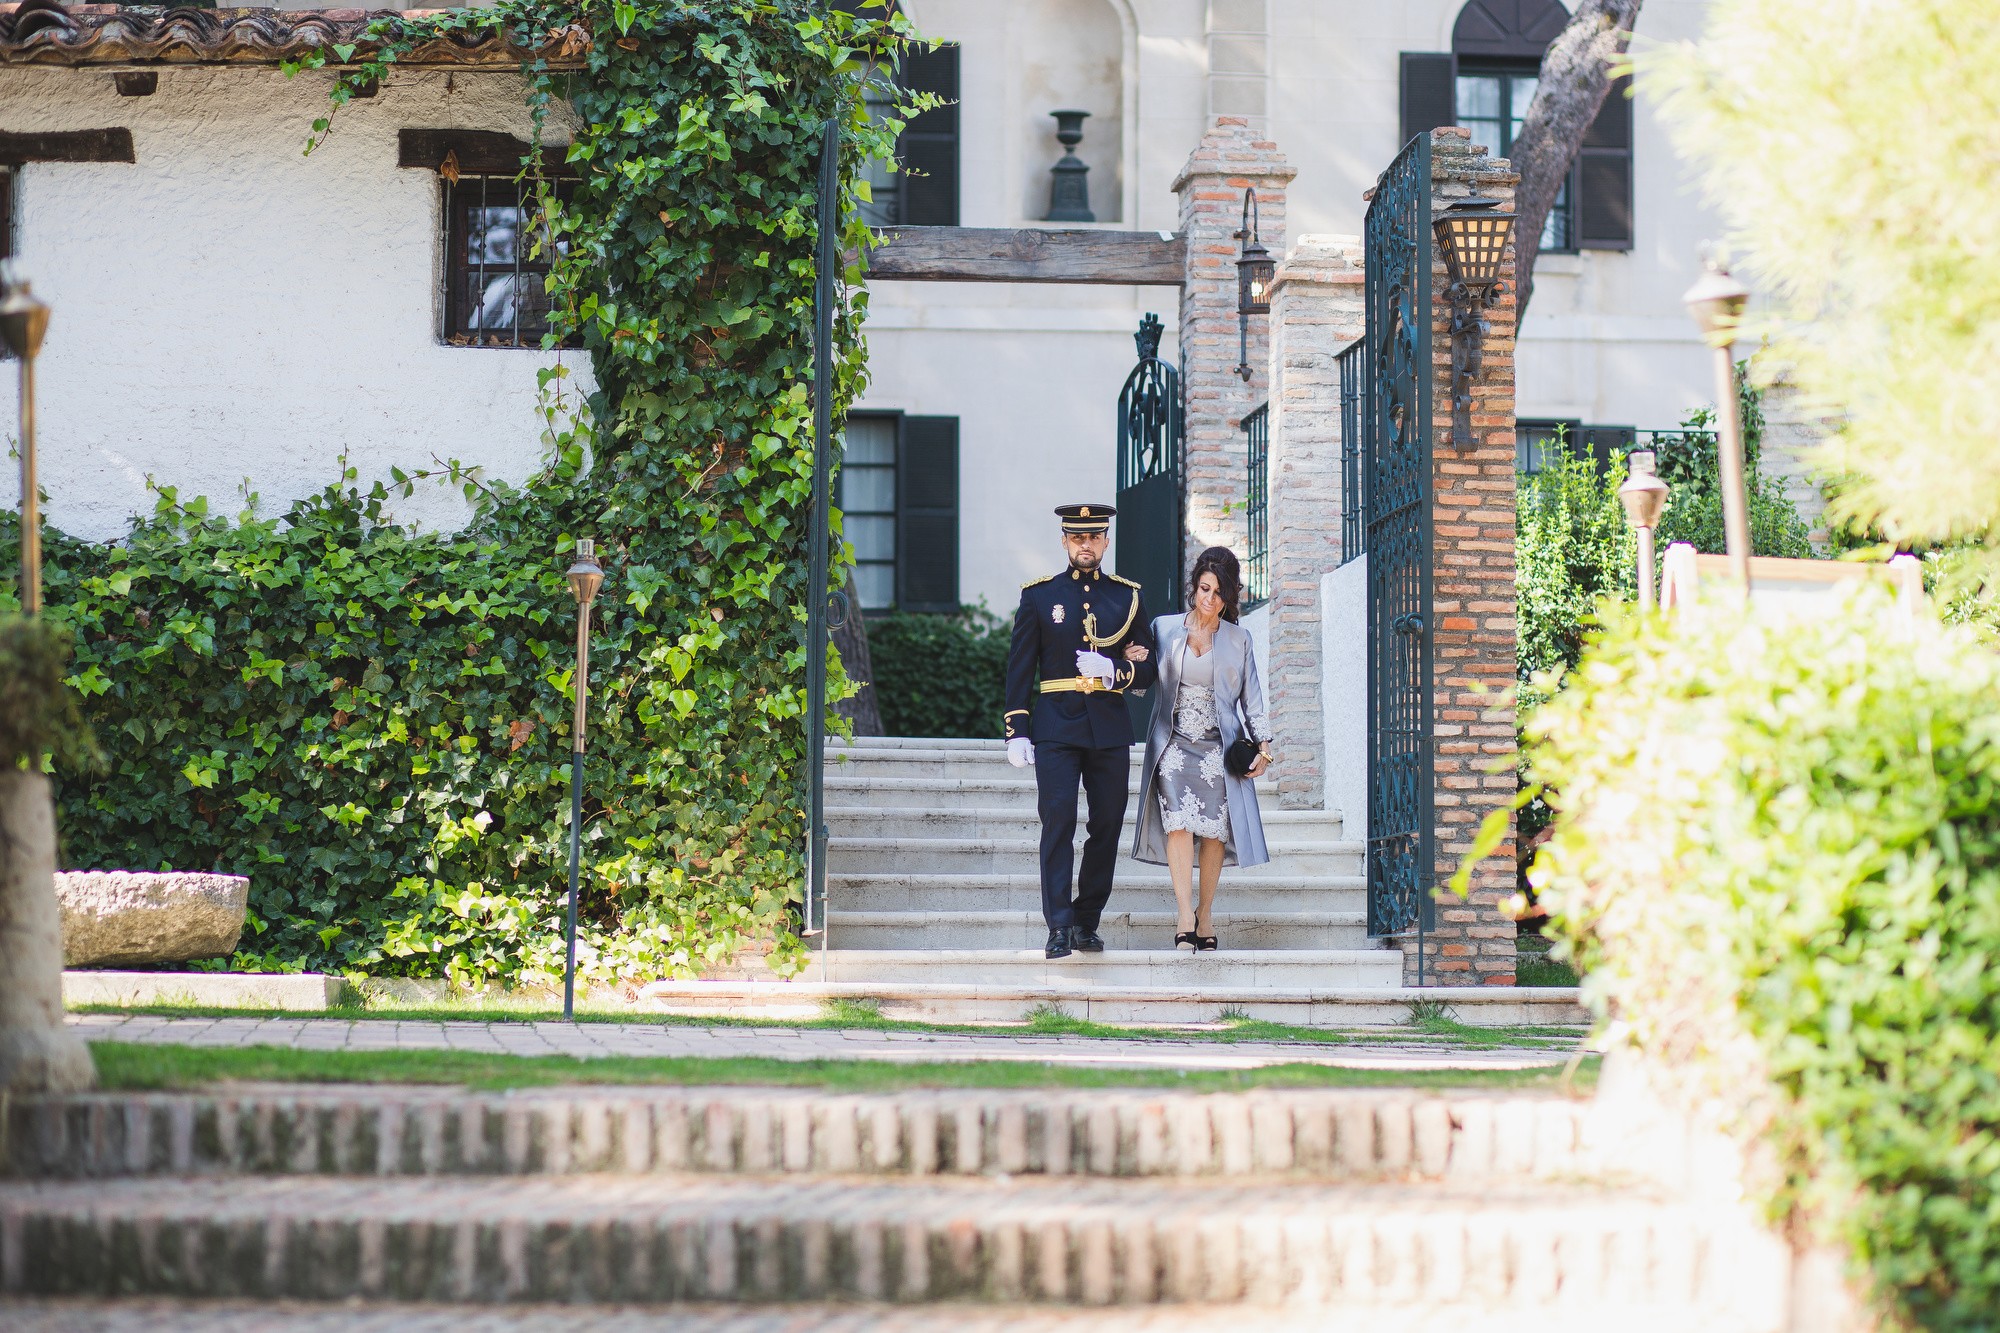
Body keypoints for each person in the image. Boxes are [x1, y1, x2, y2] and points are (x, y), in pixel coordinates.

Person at [1004, 503, 1157, 959]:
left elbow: (1148, 671)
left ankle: (1086, 921)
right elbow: (1019, 668)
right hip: (1055, 726)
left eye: (1093, 537)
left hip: (1108, 727)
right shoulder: (1038, 596)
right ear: (1065, 541)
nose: (1085, 545)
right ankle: (1059, 925)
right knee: (1058, 823)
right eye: (1076, 537)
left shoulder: (1126, 598)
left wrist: (1113, 670)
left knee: (1107, 825)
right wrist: (1017, 729)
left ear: (1106, 541)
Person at [1126, 546, 1271, 950]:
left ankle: (1205, 915)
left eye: (1218, 593)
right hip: (1172, 743)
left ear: (1229, 597)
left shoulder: (1239, 639)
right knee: (1178, 824)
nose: (1209, 599)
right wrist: (1132, 659)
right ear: (1194, 587)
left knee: (1212, 834)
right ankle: (1184, 913)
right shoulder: (1163, 628)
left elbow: (1252, 699)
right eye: (1204, 589)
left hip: (1217, 748)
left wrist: (1265, 746)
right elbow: (1141, 685)